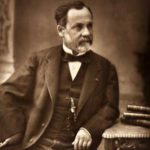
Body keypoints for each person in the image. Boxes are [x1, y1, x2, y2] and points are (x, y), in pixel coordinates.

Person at [0, 1, 119, 150]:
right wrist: (16, 132)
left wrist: (89, 129)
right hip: (36, 145)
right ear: (61, 30)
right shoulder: (39, 60)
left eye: (89, 25)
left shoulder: (106, 68)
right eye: (79, 27)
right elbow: (5, 93)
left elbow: (111, 108)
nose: (87, 33)